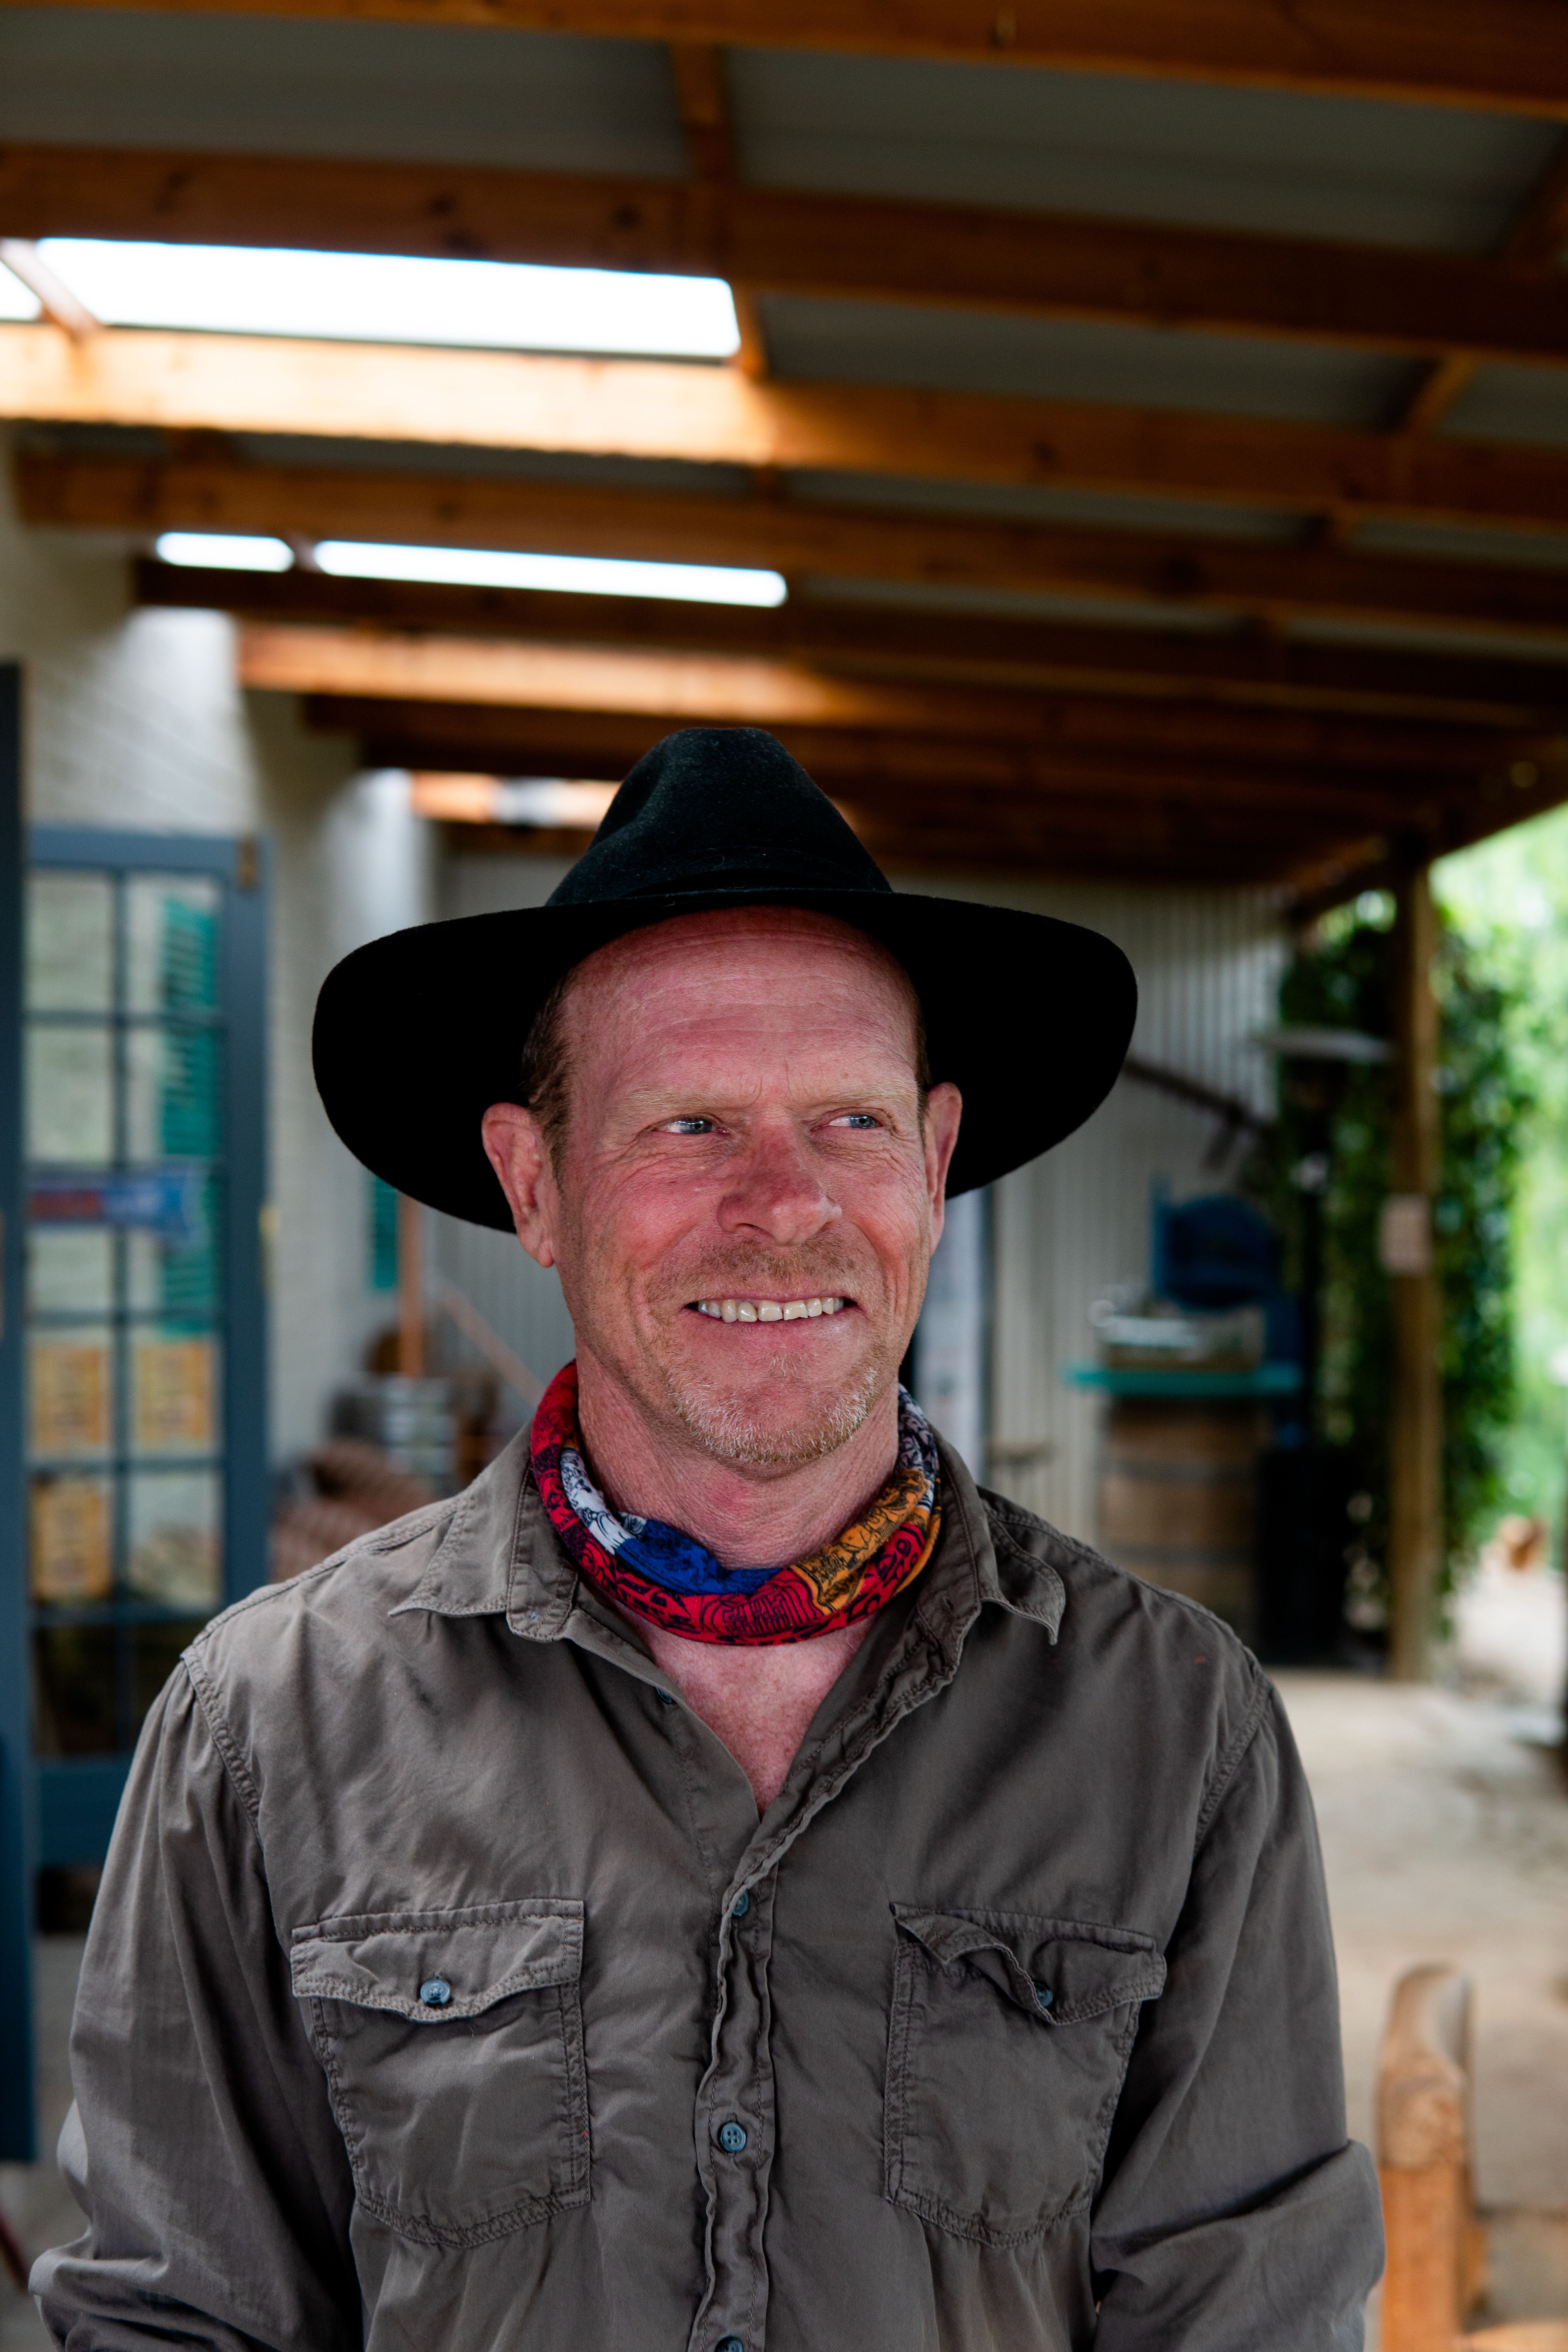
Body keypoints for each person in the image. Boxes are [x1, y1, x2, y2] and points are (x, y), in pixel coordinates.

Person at [35, 728, 1382, 2349]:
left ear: (936, 1161)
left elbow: (1248, 2323)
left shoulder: (1172, 1727)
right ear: (532, 1187)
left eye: (850, 1124)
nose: (784, 1205)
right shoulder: (269, 1725)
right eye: (686, 1127)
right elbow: (174, 2321)